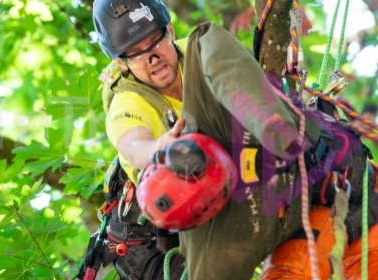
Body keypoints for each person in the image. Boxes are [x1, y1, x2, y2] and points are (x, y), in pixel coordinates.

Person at [91, 0, 378, 279]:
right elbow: (131, 143)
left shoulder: (197, 54)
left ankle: (280, 132)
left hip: (258, 162)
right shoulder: (126, 103)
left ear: (170, 32)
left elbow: (228, 68)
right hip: (217, 218)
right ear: (120, 62)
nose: (152, 57)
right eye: (136, 53)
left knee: (204, 38)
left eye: (155, 41)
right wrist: (157, 149)